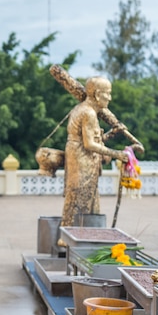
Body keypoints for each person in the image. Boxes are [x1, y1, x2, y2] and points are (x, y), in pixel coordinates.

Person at [60, 77, 129, 227]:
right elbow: (89, 144)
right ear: (97, 94)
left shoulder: (83, 109)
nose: (109, 98)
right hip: (81, 158)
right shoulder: (88, 113)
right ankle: (71, 234)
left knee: (84, 197)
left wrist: (112, 133)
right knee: (79, 196)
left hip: (80, 155)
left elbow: (93, 139)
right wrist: (116, 154)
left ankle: (80, 232)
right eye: (107, 93)